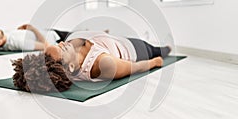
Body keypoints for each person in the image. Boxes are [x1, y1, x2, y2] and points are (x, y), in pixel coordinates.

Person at [12, 31, 171, 93]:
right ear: (71, 67)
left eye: (58, 44)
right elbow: (134, 67)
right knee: (160, 51)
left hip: (119, 38)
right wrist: (154, 62)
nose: (61, 44)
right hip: (136, 49)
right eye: (62, 49)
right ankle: (163, 50)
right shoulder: (103, 65)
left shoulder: (67, 55)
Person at [0, 24, 70, 52]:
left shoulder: (6, 41)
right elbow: (46, 46)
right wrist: (32, 28)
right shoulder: (19, 42)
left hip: (51, 32)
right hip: (58, 38)